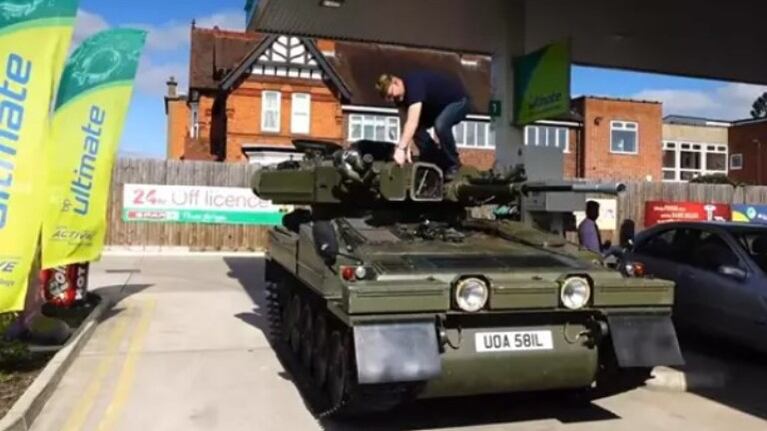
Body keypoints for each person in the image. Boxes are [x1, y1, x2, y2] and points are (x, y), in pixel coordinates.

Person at [375, 71, 470, 177]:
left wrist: (401, 149)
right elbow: (405, 123)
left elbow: (412, 122)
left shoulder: (414, 86)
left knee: (441, 125)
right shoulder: (399, 98)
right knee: (417, 130)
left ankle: (454, 164)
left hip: (458, 102)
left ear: (396, 82)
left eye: (392, 95)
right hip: (435, 110)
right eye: (389, 98)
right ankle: (436, 160)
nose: (393, 99)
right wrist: (406, 147)